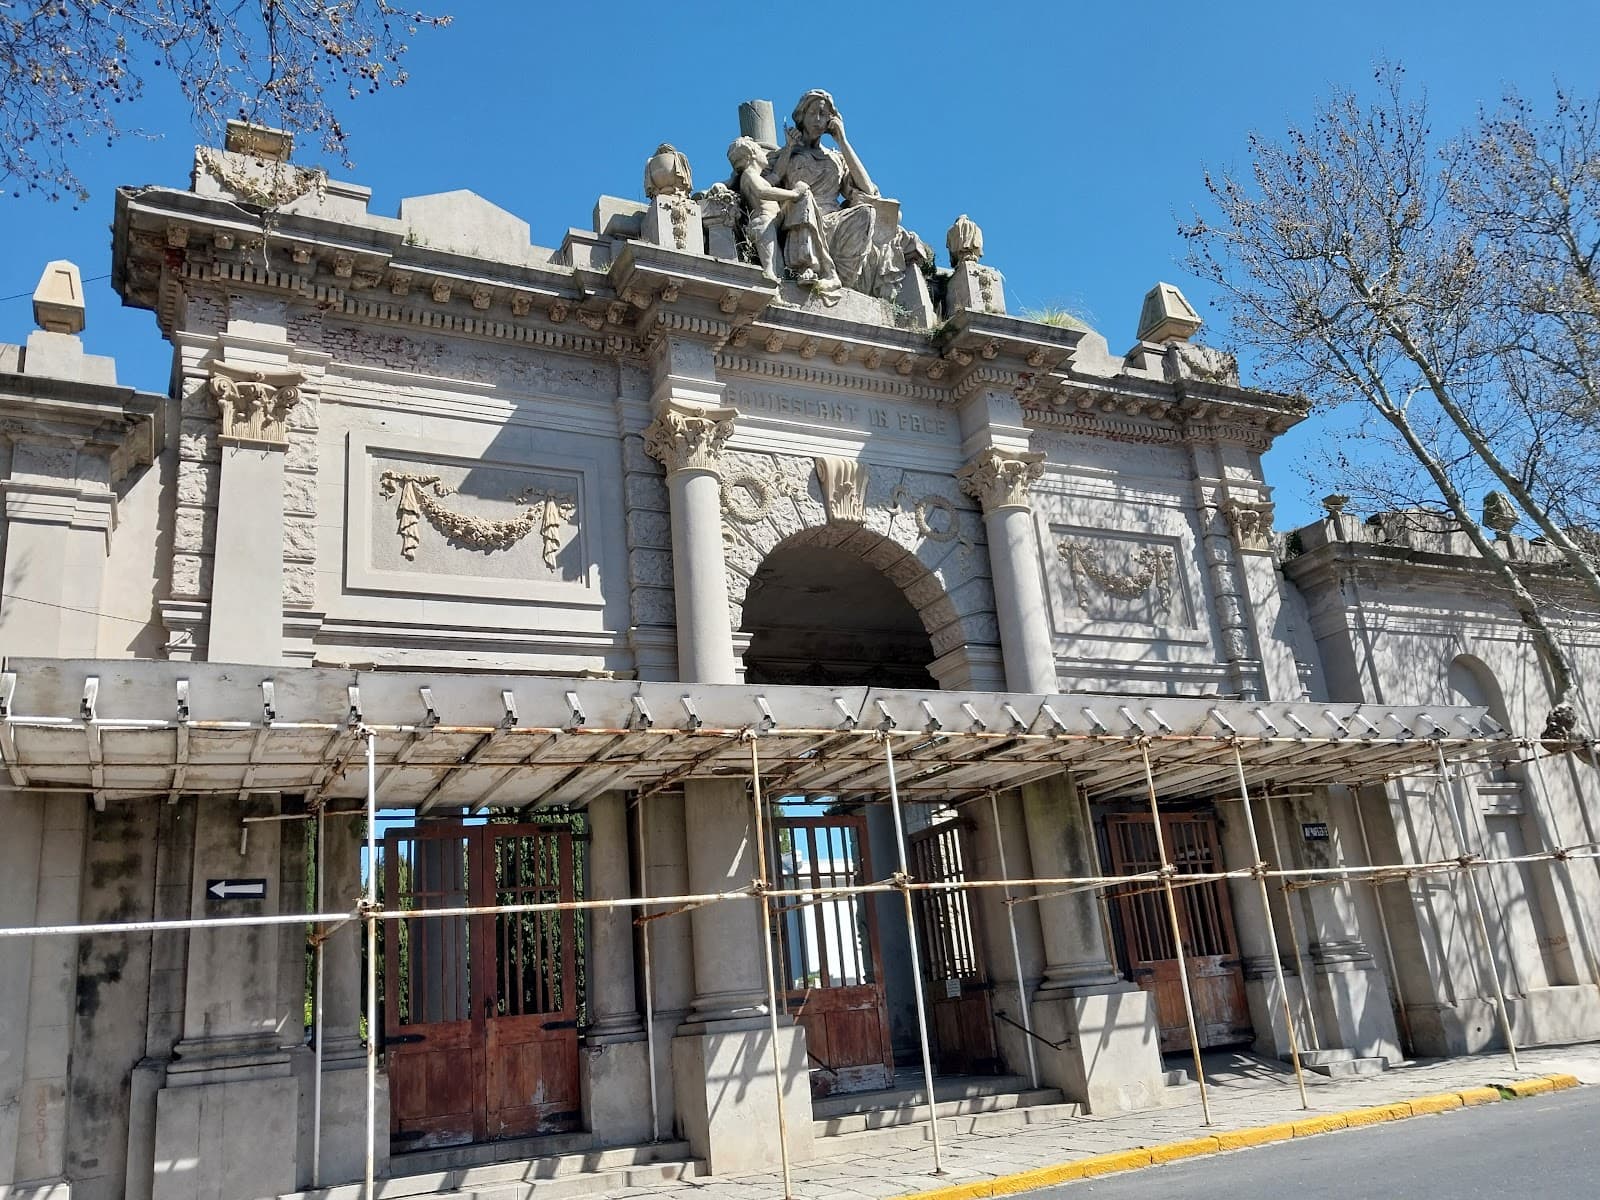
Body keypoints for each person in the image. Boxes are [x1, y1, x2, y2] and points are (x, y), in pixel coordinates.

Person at [770, 89, 880, 289]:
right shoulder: (788, 153)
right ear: (802, 116)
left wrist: (842, 141)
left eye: (823, 114)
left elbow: (868, 190)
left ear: (831, 120)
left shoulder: (836, 157)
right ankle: (805, 266)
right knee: (803, 193)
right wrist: (788, 148)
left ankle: (840, 278)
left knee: (867, 212)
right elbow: (769, 182)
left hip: (832, 222)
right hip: (798, 218)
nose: (817, 120)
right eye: (813, 113)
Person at [727, 136, 810, 284]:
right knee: (769, 270)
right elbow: (762, 192)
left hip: (769, 224)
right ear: (751, 154)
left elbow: (777, 174)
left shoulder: (757, 177)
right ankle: (772, 293)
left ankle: (776, 295)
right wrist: (794, 194)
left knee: (777, 270)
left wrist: (789, 147)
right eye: (760, 150)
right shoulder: (749, 175)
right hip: (763, 224)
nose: (764, 154)